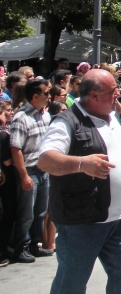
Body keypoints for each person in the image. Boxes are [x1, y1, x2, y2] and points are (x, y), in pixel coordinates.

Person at [37, 69, 121, 294]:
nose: (118, 95)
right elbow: (45, 160)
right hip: (82, 222)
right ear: (93, 96)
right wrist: (82, 164)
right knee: (72, 282)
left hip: (118, 220)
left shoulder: (112, 115)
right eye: (113, 91)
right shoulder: (67, 122)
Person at [10, 78, 53, 263]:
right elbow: (15, 149)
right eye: (46, 94)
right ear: (35, 96)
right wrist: (24, 175)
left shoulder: (45, 115)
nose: (49, 97)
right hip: (30, 170)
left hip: (44, 170)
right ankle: (22, 247)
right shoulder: (21, 117)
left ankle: (36, 244)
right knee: (27, 212)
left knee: (41, 211)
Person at [0, 99, 16, 266]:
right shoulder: (3, 136)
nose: (9, 114)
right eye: (5, 112)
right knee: (7, 213)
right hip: (6, 180)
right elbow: (7, 162)